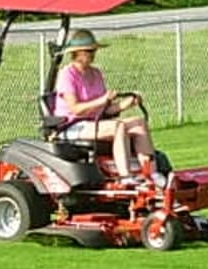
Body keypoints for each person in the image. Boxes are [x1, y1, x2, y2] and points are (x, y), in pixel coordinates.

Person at [53, 29, 165, 186]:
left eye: (93, 51)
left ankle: (152, 173)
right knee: (118, 126)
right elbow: (75, 109)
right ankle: (125, 175)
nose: (92, 54)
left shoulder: (96, 73)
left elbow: (106, 109)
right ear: (77, 53)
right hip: (73, 125)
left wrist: (127, 103)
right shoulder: (67, 74)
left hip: (96, 121)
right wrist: (102, 100)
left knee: (139, 123)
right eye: (88, 51)